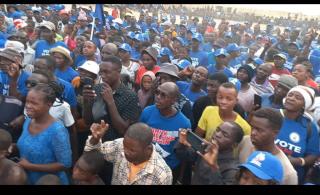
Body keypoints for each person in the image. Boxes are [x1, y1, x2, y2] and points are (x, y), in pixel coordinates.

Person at [82, 56, 140, 184]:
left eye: (106, 72)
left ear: (118, 71)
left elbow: (123, 129)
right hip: (95, 147)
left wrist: (110, 102)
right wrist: (87, 101)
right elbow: (87, 121)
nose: (103, 75)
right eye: (101, 72)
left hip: (116, 153)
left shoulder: (130, 96)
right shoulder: (97, 89)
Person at [84, 122, 173, 185]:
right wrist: (95, 139)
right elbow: (92, 154)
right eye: (125, 146)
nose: (125, 152)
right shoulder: (119, 145)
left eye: (132, 150)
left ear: (148, 149)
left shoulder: (162, 174)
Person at [17, 84, 72, 185]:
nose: (28, 106)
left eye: (34, 103)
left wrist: (30, 166)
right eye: (27, 101)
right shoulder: (28, 121)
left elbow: (65, 164)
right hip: (27, 179)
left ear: (49, 104)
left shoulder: (57, 131)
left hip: (50, 181)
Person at [140, 82, 191, 183]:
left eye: (163, 95)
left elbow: (183, 152)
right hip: (146, 164)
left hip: (168, 170)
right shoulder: (147, 112)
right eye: (157, 92)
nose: (158, 97)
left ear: (174, 100)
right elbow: (139, 137)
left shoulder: (184, 123)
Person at [238, 108, 298, 185]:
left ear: (275, 133)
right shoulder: (245, 141)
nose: (253, 133)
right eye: (252, 127)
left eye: (259, 130)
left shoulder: (288, 172)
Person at [275, 85, 320, 184]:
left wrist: (298, 161)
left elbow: (313, 155)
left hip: (290, 177)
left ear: (304, 105)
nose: (291, 98)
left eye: (298, 97)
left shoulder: (310, 127)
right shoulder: (272, 115)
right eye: (290, 95)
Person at [175, 121, 244, 185]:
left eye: (225, 135)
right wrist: (182, 143)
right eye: (217, 130)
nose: (217, 134)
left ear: (234, 145)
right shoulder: (206, 148)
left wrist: (213, 167)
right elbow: (183, 156)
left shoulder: (232, 170)